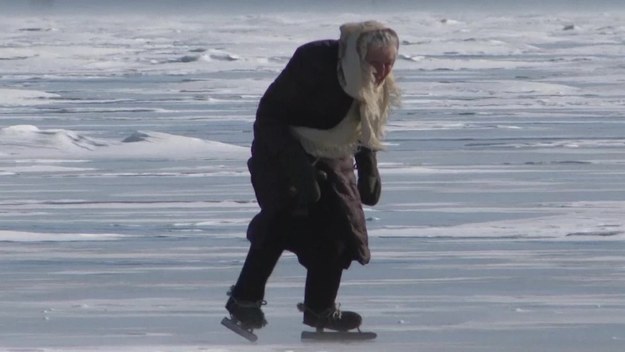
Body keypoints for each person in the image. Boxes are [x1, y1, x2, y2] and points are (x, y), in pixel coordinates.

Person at [225, 20, 400, 332]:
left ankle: (320, 309)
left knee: (340, 229)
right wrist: (298, 168)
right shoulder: (314, 62)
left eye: (389, 63)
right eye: (375, 63)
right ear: (356, 56)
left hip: (334, 153)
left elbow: (358, 123)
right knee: (285, 217)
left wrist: (369, 167)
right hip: (279, 150)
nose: (383, 72)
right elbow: (269, 117)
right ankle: (244, 301)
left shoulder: (374, 82)